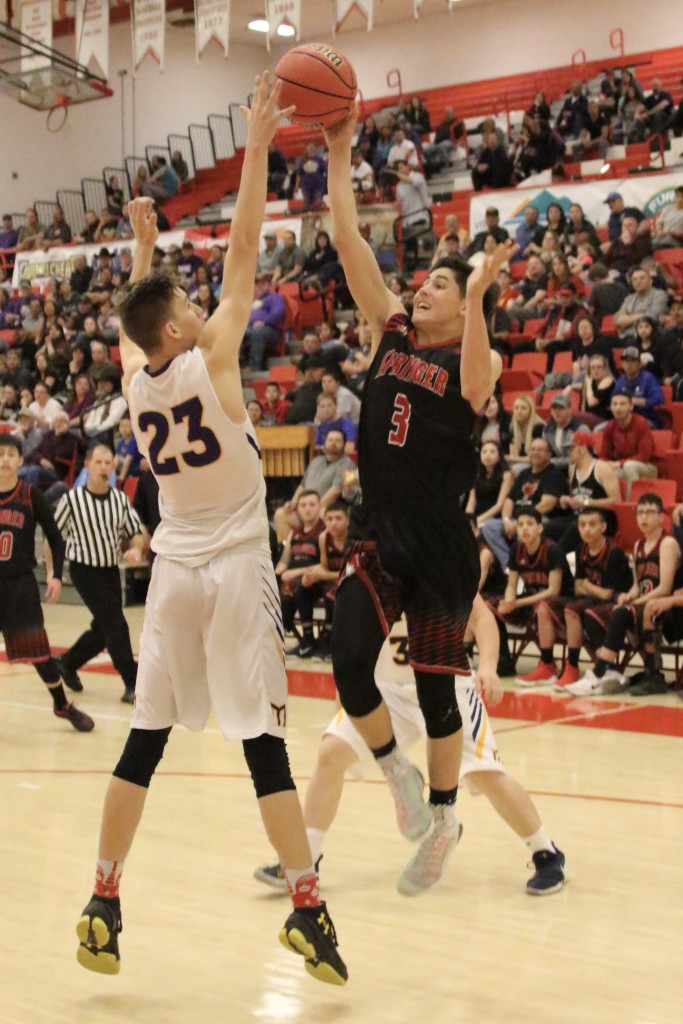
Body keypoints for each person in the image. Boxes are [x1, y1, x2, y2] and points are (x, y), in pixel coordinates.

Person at [73, 78, 347, 987]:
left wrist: (146, 246)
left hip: (172, 574)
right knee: (262, 745)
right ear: (183, 324)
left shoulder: (135, 375)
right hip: (233, 567)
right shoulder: (215, 348)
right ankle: (308, 911)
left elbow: (135, 318)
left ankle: (104, 898)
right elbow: (240, 255)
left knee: (143, 743)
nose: (199, 304)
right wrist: (261, 146)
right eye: (186, 303)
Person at [324, 100, 513, 891]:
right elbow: (346, 240)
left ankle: (442, 819)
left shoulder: (479, 364)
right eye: (427, 281)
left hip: (440, 548)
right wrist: (338, 148)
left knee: (438, 695)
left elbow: (476, 378)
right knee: (347, 660)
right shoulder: (392, 332)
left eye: (441, 283)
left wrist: (473, 296)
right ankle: (394, 773)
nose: (423, 289)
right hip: (381, 534)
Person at [254, 596, 566, 896]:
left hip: (447, 683)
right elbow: (355, 635)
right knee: (332, 751)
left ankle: (546, 852)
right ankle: (305, 860)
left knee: (486, 774)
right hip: (388, 687)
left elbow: (482, 617)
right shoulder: (373, 561)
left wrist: (488, 665)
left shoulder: (438, 555)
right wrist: (346, 687)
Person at [0, 435, 94, 732]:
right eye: (0, 453)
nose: (4, 459)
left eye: (11, 454)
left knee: (39, 652)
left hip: (19, 585)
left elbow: (55, 536)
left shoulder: (29, 494)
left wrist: (54, 575)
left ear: (19, 460)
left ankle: (61, 705)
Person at [566, 493, 680, 696]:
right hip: (644, 602)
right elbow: (637, 585)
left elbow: (664, 587)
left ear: (662, 517)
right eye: (640, 512)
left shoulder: (667, 543)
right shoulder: (637, 545)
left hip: (665, 606)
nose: (644, 517)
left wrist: (633, 603)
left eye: (650, 512)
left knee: (621, 613)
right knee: (596, 613)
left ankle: (602, 672)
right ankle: (609, 671)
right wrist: (628, 596)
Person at [54, 443, 143, 703]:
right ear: (87, 466)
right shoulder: (72, 499)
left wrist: (136, 550)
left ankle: (68, 663)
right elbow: (54, 537)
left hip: (110, 569)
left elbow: (136, 533)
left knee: (104, 628)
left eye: (108, 463)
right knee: (116, 624)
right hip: (84, 569)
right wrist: (53, 572)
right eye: (99, 463)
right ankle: (133, 683)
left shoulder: (119, 500)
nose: (104, 468)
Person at [488, 507, 574, 686]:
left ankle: (547, 665)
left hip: (560, 603)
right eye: (520, 525)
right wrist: (509, 599)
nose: (524, 528)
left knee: (543, 607)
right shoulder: (516, 549)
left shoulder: (553, 549)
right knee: (490, 605)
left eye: (529, 524)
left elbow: (553, 591)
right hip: (531, 600)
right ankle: (503, 659)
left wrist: (518, 602)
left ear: (540, 528)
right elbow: (511, 585)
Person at [554, 506, 633, 689]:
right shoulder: (581, 549)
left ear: (603, 527)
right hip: (595, 599)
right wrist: (585, 586)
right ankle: (566, 667)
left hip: (619, 602)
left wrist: (587, 585)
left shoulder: (614, 552)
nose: (586, 529)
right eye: (582, 525)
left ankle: (583, 666)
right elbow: (577, 586)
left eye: (591, 524)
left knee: (581, 612)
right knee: (560, 608)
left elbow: (606, 594)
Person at [479, 437, 568, 571]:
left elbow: (547, 504)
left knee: (527, 528)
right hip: (516, 519)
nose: (535, 452)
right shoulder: (524, 474)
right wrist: (506, 520)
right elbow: (509, 500)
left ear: (549, 454)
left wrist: (521, 521)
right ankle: (509, 567)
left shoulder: (553, 474)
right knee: (490, 527)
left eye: (540, 450)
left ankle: (524, 567)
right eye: (532, 449)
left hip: (540, 519)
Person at [273, 429, 356, 540]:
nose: (333, 443)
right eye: (330, 440)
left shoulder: (348, 464)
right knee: (281, 514)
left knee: (322, 514)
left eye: (337, 440)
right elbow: (303, 485)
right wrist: (294, 502)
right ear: (325, 442)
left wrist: (314, 506)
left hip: (325, 507)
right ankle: (289, 551)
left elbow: (336, 490)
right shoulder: (316, 460)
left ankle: (316, 552)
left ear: (344, 444)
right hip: (307, 506)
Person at [549, 431, 620, 552]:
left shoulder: (602, 468)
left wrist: (587, 503)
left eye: (571, 449)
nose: (568, 453)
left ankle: (557, 562)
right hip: (579, 516)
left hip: (601, 518)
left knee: (575, 528)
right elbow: (577, 495)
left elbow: (616, 500)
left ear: (582, 448)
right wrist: (566, 500)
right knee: (548, 527)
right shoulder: (572, 468)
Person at [276, 490, 325, 657]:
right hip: (294, 581)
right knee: (282, 598)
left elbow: (325, 565)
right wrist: (278, 569)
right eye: (303, 505)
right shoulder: (294, 533)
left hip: (316, 580)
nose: (308, 509)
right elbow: (284, 560)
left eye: (312, 505)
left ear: (320, 507)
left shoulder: (324, 532)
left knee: (299, 591)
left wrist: (295, 572)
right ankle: (295, 640)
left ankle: (309, 640)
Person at [600, 392, 657, 498]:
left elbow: (645, 455)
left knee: (629, 465)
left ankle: (631, 505)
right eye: (615, 404)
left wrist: (619, 463)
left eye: (622, 404)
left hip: (647, 467)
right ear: (610, 407)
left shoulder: (641, 423)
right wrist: (604, 466)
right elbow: (604, 455)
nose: (618, 408)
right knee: (603, 470)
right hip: (623, 467)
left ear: (631, 406)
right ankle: (608, 507)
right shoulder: (609, 426)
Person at [240, 272, 286, 373]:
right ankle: (241, 364)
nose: (259, 287)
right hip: (250, 328)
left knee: (257, 332)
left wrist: (264, 322)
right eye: (257, 284)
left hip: (271, 329)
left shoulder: (275, 297)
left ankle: (254, 367)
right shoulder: (252, 300)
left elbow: (278, 313)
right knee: (236, 333)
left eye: (262, 284)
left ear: (268, 285)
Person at [613, 346, 665, 426]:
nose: (629, 364)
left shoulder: (648, 378)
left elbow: (658, 399)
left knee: (634, 427)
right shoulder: (620, 380)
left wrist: (636, 401)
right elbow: (613, 400)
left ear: (639, 363)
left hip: (647, 418)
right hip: (624, 419)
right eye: (626, 361)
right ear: (622, 364)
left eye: (633, 361)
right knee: (600, 429)